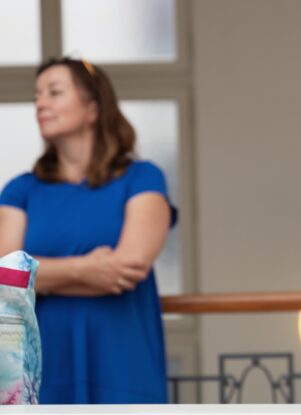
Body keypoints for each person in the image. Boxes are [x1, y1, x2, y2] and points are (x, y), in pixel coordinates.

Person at [0, 58, 175, 403]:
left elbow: (128, 268)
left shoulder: (142, 178)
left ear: (93, 108)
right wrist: (85, 269)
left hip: (124, 362)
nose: (41, 104)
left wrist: (41, 276)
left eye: (54, 92)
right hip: (43, 367)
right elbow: (7, 276)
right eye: (37, 96)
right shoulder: (21, 190)